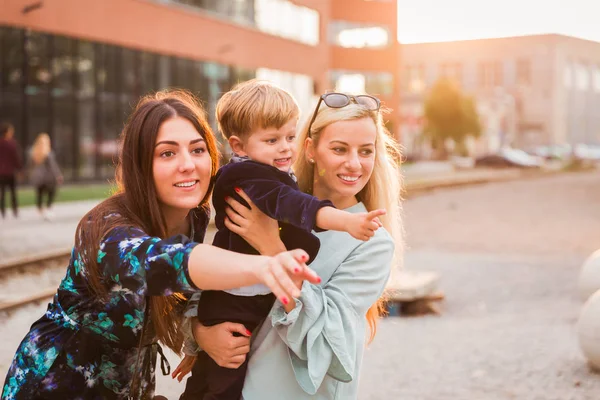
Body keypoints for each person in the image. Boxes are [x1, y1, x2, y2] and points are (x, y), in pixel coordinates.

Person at [1, 90, 320, 400]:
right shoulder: (106, 230)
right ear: (141, 164)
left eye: (197, 150)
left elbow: (176, 298)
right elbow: (167, 264)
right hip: (60, 384)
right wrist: (266, 262)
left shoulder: (194, 215)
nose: (188, 165)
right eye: (168, 153)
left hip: (129, 381)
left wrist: (199, 333)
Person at [175, 91, 403, 399]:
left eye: (366, 151)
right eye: (339, 149)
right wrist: (202, 334)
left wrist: (272, 247)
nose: (354, 163)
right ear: (309, 149)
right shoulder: (266, 199)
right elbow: (217, 265)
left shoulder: (372, 243)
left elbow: (325, 338)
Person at [28, 132, 63, 220]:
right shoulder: (48, 153)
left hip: (38, 177)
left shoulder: (33, 152)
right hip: (48, 177)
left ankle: (40, 210)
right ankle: (48, 209)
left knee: (39, 193)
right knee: (51, 192)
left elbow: (30, 165)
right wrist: (58, 175)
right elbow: (53, 167)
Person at [0, 122, 22, 219]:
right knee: (11, 192)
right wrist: (20, 169)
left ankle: (4, 210)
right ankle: (14, 209)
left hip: (3, 171)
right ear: (7, 132)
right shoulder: (12, 144)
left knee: (3, 192)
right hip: (9, 172)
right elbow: (15, 158)